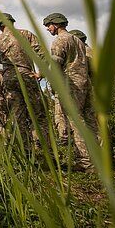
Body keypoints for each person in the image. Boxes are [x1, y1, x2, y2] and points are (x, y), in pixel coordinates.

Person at [42, 13, 97, 170]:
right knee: (90, 121)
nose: (47, 29)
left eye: (49, 25)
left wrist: (54, 86)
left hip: (71, 85)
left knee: (76, 122)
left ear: (56, 24)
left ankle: (86, 162)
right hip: (85, 83)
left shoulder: (59, 41)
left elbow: (56, 67)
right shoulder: (78, 41)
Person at [0, 12, 49, 150]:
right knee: (39, 114)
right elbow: (42, 53)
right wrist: (41, 72)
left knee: (17, 116)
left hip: (9, 78)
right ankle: (47, 152)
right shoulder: (25, 34)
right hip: (26, 75)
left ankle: (26, 152)